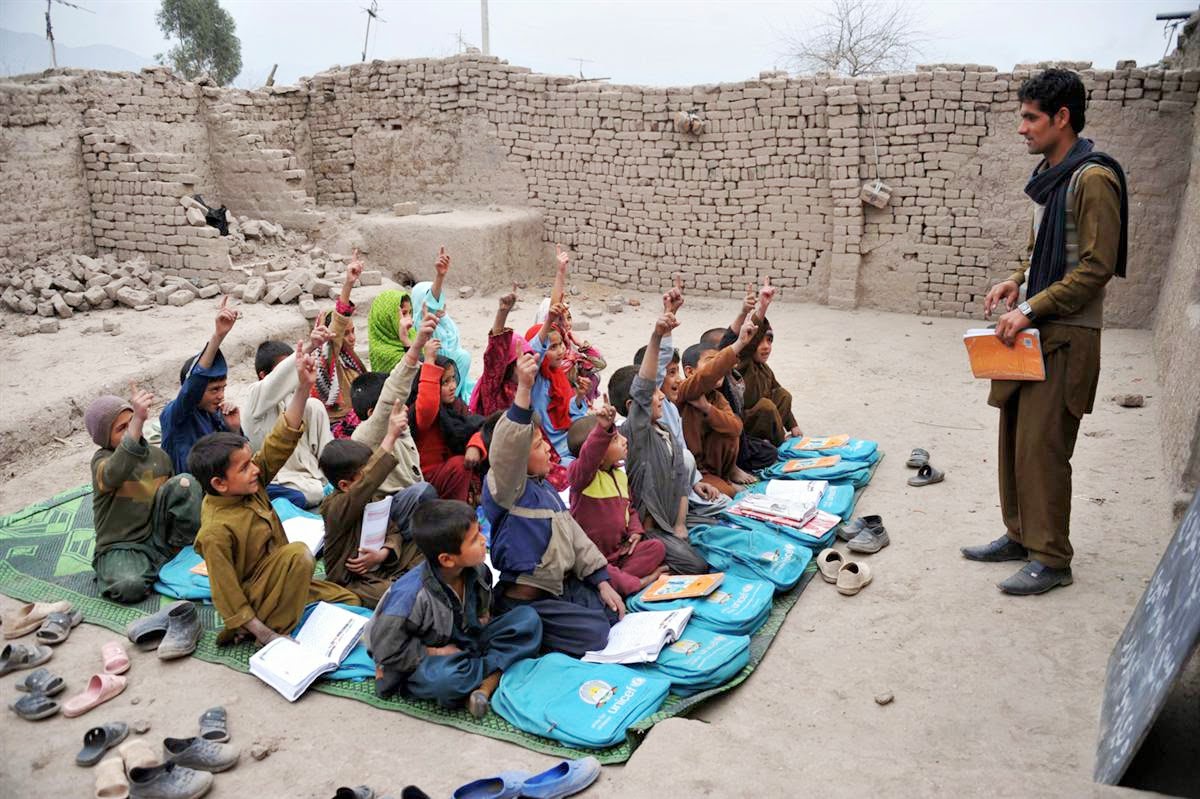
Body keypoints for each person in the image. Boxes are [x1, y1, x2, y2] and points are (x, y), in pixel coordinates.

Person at [962, 68, 1127, 596]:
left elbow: (1094, 268)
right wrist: (1013, 282)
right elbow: (1037, 256)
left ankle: (1052, 558)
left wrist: (1032, 308)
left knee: (1045, 447)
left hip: (1067, 335)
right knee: (1015, 438)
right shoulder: (1054, 176)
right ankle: (1020, 536)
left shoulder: (1093, 179)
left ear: (1062, 118)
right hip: (1034, 331)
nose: (1021, 128)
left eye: (1030, 117)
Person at [190, 344, 359, 645]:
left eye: (251, 463)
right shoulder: (215, 530)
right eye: (244, 468)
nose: (254, 470)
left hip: (283, 580)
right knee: (298, 555)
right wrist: (267, 636)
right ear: (220, 484)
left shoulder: (249, 485)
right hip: (257, 601)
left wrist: (304, 389)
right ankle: (272, 627)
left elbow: (281, 440)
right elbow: (226, 593)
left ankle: (293, 606)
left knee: (351, 600)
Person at [482, 351, 625, 657]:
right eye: (537, 445)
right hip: (527, 597)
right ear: (518, 457)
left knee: (611, 609)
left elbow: (575, 536)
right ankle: (515, 624)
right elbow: (508, 449)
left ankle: (538, 628)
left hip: (557, 587)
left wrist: (601, 580)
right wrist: (524, 388)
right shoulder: (507, 488)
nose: (548, 449)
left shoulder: (543, 488)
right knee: (595, 634)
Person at [367, 500, 542, 718]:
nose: (483, 539)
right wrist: (435, 652)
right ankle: (491, 678)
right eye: (474, 539)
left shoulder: (478, 570)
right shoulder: (410, 597)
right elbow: (385, 649)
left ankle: (483, 682)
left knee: (528, 619)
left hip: (466, 640)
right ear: (447, 559)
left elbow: (482, 607)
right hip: (429, 658)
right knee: (446, 681)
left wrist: (482, 615)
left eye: (479, 532)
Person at [610, 302, 711, 575]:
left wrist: (680, 525)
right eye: (655, 394)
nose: (662, 396)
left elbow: (680, 479)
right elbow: (645, 386)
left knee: (720, 525)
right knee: (697, 566)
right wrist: (656, 336)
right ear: (634, 407)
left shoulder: (664, 431)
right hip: (650, 530)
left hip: (672, 520)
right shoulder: (635, 435)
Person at [87, 386, 202, 603]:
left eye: (131, 422)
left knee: (185, 483)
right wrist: (138, 420)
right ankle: (155, 570)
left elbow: (175, 500)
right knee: (128, 587)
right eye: (122, 428)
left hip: (160, 537)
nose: (131, 430)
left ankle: (182, 553)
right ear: (104, 437)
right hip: (123, 545)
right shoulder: (102, 463)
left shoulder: (158, 456)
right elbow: (115, 472)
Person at [318, 401, 432, 607]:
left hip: (382, 564)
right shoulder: (335, 508)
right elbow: (369, 482)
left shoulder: (373, 498)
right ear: (344, 485)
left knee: (428, 547)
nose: (372, 480)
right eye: (365, 474)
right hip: (354, 580)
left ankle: (407, 579)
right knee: (395, 595)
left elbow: (393, 531)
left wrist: (383, 553)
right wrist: (390, 437)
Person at [567, 406, 667, 596]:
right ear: (598, 449)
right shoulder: (582, 478)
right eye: (615, 439)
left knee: (656, 548)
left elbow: (630, 510)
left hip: (619, 552)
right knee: (603, 572)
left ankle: (618, 583)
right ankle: (636, 582)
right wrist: (602, 430)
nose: (624, 440)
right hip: (593, 557)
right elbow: (589, 458)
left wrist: (635, 531)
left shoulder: (619, 475)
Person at [240, 329, 333, 509]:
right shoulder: (255, 397)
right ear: (263, 375)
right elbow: (278, 379)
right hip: (280, 481)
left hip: (313, 477)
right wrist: (310, 346)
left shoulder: (300, 402)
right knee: (307, 496)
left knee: (315, 406)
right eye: (290, 368)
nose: (295, 372)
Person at [350, 313, 440, 496]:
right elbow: (393, 392)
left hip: (413, 495)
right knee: (424, 493)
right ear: (373, 412)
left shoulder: (401, 429)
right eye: (398, 407)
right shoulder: (366, 435)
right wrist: (416, 345)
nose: (406, 409)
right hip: (392, 505)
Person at [677, 316, 761, 497]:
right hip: (694, 469)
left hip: (716, 466)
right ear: (689, 371)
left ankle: (728, 472)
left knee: (732, 431)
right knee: (728, 494)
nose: (719, 370)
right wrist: (738, 344)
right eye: (711, 362)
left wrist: (708, 409)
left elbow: (736, 427)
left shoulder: (717, 397)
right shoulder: (685, 391)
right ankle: (719, 481)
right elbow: (707, 376)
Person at [160, 297, 241, 475]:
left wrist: (233, 429)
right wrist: (218, 336)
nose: (221, 395)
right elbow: (195, 382)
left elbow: (237, 460)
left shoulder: (216, 415)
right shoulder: (176, 416)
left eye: (223, 388)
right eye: (214, 389)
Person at [407, 337, 485, 502]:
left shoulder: (456, 407)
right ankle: (458, 512)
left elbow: (475, 426)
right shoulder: (421, 414)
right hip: (428, 482)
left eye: (453, 379)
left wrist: (475, 445)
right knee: (460, 464)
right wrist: (429, 361)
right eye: (444, 382)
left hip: (450, 474)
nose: (452, 386)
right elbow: (427, 404)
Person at [736, 277, 802, 446]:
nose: (766, 347)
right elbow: (748, 342)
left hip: (765, 422)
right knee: (766, 406)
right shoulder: (742, 363)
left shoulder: (765, 370)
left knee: (783, 395)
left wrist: (793, 425)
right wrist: (763, 307)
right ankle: (776, 442)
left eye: (769, 341)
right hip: (745, 426)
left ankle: (776, 435)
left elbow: (777, 392)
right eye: (760, 342)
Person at [525, 302, 590, 464]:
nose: (561, 350)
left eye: (561, 344)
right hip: (554, 449)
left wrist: (579, 398)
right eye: (552, 347)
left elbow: (570, 412)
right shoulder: (534, 379)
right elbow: (534, 350)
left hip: (571, 438)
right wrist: (549, 321)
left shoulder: (559, 375)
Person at [314, 253, 368, 439]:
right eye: (346, 333)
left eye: (353, 331)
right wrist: (348, 285)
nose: (352, 338)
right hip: (338, 431)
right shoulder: (327, 360)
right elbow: (335, 331)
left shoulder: (350, 360)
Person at [409, 247, 474, 402]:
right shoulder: (419, 323)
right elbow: (431, 301)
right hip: (433, 372)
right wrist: (439, 276)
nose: (438, 304)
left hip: (450, 373)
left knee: (463, 357)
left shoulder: (445, 322)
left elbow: (453, 345)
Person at [468, 287, 530, 417]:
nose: (529, 366)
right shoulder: (493, 388)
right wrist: (502, 314)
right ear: (509, 365)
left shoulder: (526, 383)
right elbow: (495, 355)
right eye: (522, 360)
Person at [367, 287, 414, 374]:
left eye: (410, 312)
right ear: (388, 317)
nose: (410, 319)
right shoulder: (383, 352)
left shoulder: (412, 334)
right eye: (404, 313)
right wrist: (405, 340)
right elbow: (417, 370)